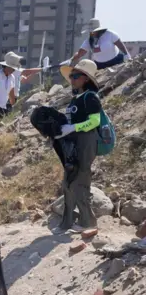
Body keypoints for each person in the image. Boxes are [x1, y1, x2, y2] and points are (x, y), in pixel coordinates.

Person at [54, 59, 105, 235]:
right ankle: (67, 222)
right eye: (71, 76)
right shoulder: (75, 99)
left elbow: (95, 121)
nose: (72, 79)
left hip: (86, 141)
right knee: (68, 181)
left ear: (85, 78)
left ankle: (87, 222)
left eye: (75, 76)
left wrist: (74, 128)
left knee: (80, 181)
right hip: (73, 143)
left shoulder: (90, 96)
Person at [0, 52, 42, 120]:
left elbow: (11, 92)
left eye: (14, 69)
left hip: (2, 107)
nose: (13, 70)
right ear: (6, 67)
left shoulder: (12, 77)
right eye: (12, 68)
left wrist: (13, 104)